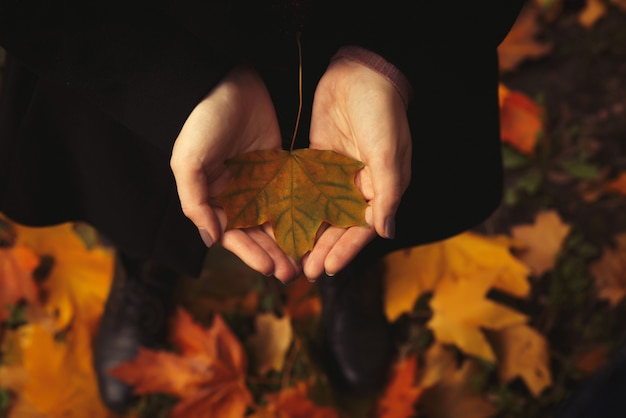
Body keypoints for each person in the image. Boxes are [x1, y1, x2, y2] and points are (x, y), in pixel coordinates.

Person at [0, 0, 524, 414]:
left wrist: (391, 56)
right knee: (144, 183)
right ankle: (145, 262)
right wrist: (168, 83)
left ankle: (348, 267)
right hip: (142, 35)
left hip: (380, 22)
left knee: (375, 181)